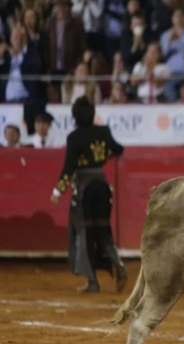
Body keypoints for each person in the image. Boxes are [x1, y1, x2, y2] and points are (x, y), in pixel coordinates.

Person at [50, 96, 127, 293]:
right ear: (93, 115)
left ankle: (92, 282)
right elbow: (119, 149)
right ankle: (118, 263)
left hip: (84, 188)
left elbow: (69, 168)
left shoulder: (74, 137)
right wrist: (104, 159)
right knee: (102, 229)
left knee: (83, 232)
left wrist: (58, 190)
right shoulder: (104, 131)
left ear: (74, 117)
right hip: (102, 185)